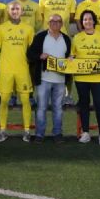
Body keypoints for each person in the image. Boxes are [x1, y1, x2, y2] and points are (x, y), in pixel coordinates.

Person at [27, 14, 72, 144]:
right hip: (44, 79)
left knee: (58, 108)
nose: (55, 23)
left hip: (60, 80)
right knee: (41, 107)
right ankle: (39, 134)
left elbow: (70, 56)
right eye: (52, 21)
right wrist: (39, 56)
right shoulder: (40, 37)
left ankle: (57, 133)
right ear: (48, 23)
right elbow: (30, 54)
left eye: (58, 21)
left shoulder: (66, 39)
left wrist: (70, 60)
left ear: (62, 24)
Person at [0, 1, 34, 142]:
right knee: (4, 100)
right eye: (12, 9)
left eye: (17, 9)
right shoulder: (1, 28)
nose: (15, 11)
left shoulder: (28, 29)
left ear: (21, 11)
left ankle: (27, 131)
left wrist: (28, 60)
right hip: (6, 71)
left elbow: (31, 50)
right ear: (8, 12)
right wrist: (3, 61)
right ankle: (3, 130)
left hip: (22, 70)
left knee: (25, 101)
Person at [71, 10, 100, 146]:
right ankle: (86, 133)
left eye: (89, 19)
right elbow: (72, 55)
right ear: (82, 22)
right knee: (84, 104)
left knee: (99, 104)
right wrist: (71, 58)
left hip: (98, 78)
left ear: (94, 21)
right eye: (84, 20)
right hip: (81, 78)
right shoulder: (77, 37)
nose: (87, 22)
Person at [38, 0, 77, 105]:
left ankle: (68, 95)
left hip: (64, 37)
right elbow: (42, 17)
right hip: (47, 38)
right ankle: (46, 96)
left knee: (67, 66)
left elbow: (71, 17)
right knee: (47, 66)